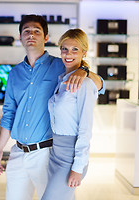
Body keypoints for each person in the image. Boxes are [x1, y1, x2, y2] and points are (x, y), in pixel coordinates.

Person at [0, 15, 104, 200]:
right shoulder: (14, 73)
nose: (31, 35)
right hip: (18, 152)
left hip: (46, 154)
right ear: (20, 37)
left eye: (37, 31)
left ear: (46, 38)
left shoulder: (62, 65)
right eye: (26, 31)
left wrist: (84, 71)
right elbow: (8, 114)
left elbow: (100, 85)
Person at [41, 29, 98, 200]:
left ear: (84, 52)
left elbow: (85, 129)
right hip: (55, 154)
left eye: (75, 49)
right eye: (64, 49)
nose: (68, 54)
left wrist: (78, 167)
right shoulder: (62, 80)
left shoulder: (85, 84)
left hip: (70, 158)